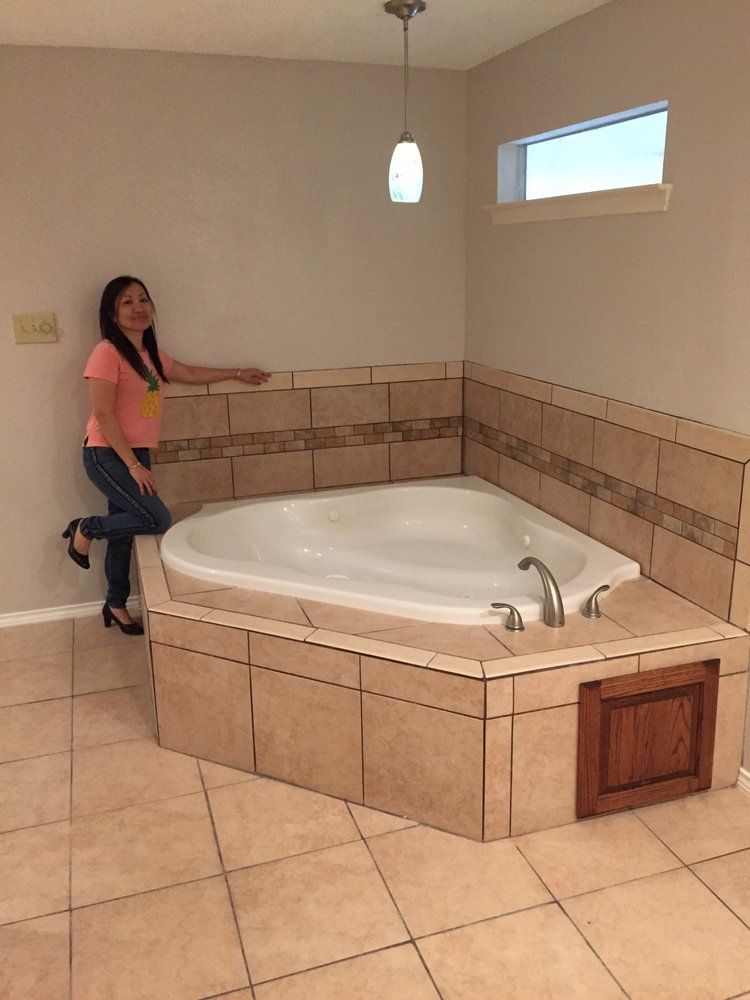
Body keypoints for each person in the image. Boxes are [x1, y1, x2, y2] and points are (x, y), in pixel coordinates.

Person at [63, 275, 270, 635]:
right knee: (156, 517)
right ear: (112, 314)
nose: (138, 307)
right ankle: (86, 528)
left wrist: (237, 372)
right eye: (126, 302)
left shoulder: (151, 355)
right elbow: (105, 415)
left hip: (134, 453)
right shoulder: (106, 353)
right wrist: (132, 465)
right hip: (106, 453)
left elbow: (189, 372)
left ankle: (116, 603)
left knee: (125, 530)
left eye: (142, 299)